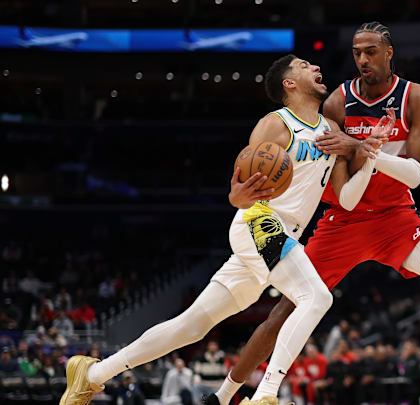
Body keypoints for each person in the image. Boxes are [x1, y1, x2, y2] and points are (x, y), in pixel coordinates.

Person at [59, 54, 393, 405]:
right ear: (289, 83)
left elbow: (348, 199)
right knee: (317, 297)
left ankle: (92, 374)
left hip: (282, 237)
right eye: (305, 66)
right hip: (260, 222)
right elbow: (241, 186)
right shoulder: (276, 124)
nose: (316, 67)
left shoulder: (331, 131)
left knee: (192, 326)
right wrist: (236, 195)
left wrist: (370, 155)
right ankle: (265, 395)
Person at [209, 21, 420, 405]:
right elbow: (333, 168)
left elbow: (417, 174)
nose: (362, 59)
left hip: (395, 215)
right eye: (357, 52)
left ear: (388, 53)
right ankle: (225, 395)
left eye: (370, 51)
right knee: (284, 310)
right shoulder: (337, 102)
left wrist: (360, 145)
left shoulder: (418, 98)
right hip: (343, 218)